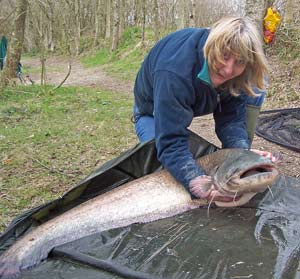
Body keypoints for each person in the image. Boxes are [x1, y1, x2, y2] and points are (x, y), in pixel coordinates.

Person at [132, 16, 276, 201]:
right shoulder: (174, 71)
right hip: (150, 111)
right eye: (224, 56)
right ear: (213, 46)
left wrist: (241, 155)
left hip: (188, 96)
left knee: (255, 85)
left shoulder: (238, 72)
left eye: (239, 62)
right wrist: (197, 184)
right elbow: (171, 143)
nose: (228, 69)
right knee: (160, 161)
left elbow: (231, 120)